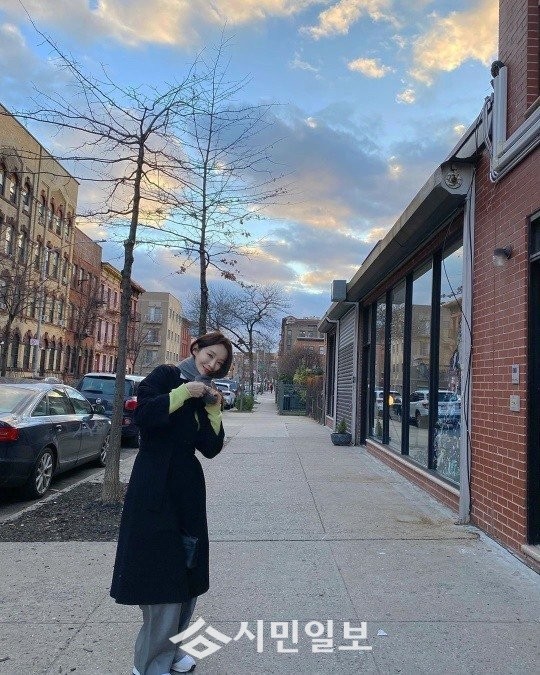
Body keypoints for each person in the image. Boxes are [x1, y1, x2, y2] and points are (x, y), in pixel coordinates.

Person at [110, 331, 233, 675]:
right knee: (161, 577)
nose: (212, 365)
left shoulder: (205, 393)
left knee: (187, 571)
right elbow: (144, 415)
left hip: (187, 489)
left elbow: (210, 448)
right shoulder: (166, 375)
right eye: (209, 355)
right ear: (195, 349)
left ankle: (172, 651)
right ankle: (150, 663)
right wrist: (182, 393)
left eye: (220, 362)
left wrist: (214, 410)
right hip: (154, 486)